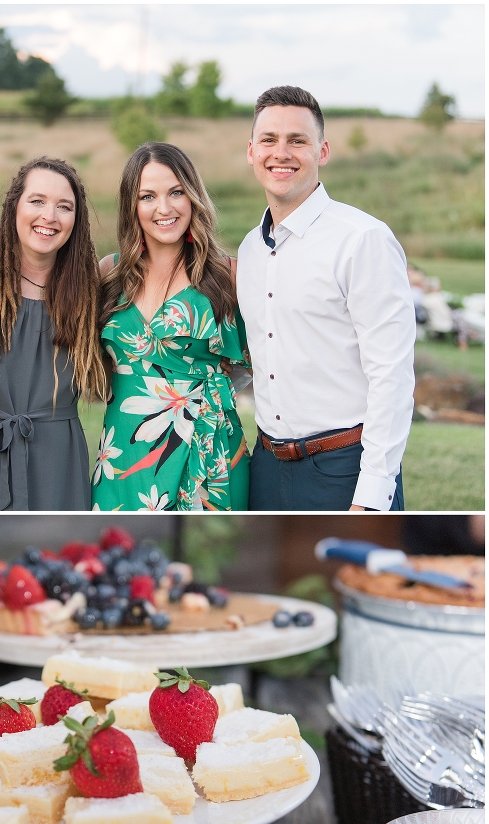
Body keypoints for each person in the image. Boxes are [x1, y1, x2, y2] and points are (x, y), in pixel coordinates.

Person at [236, 86, 415, 511]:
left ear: (323, 150)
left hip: (344, 469)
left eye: (297, 140)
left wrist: (372, 493)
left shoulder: (363, 240)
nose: (282, 152)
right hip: (265, 466)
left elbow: (391, 375)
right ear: (251, 151)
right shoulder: (249, 250)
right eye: (269, 140)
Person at [92, 142, 250, 511]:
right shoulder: (109, 273)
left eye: (176, 192)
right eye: (148, 196)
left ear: (193, 197)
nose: (164, 208)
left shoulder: (229, 275)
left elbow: (261, 365)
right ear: (132, 206)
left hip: (210, 450)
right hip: (122, 455)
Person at [0, 157, 104, 510]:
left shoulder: (91, 295)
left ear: (76, 222)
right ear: (13, 206)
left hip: (59, 462)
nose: (50, 216)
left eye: (64, 207)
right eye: (37, 201)